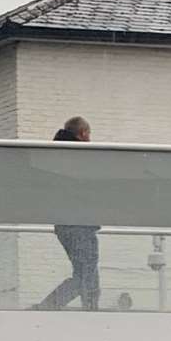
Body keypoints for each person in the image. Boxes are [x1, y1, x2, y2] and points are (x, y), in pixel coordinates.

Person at [35, 116, 100, 311]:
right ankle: (49, 307)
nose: (90, 140)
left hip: (65, 223)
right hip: (79, 223)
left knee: (86, 274)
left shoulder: (56, 154)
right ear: (82, 134)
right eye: (89, 135)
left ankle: (89, 309)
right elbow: (85, 187)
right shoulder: (78, 155)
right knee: (86, 275)